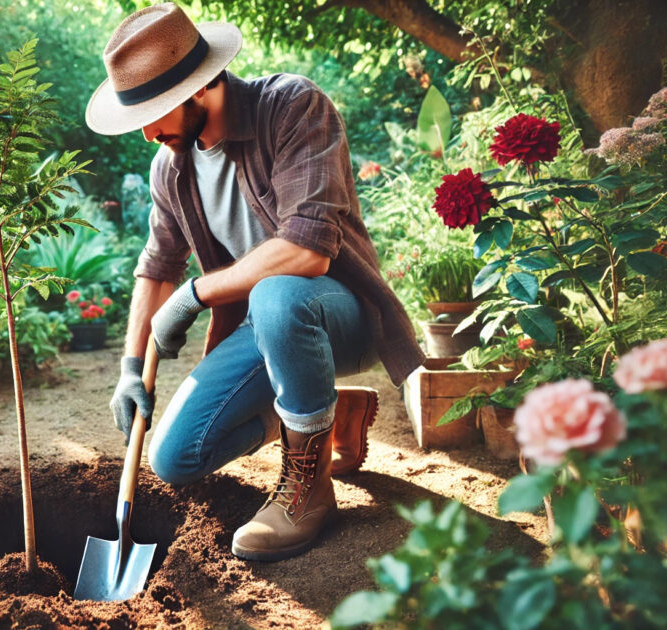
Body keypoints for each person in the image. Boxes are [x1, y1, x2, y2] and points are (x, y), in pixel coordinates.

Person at [85, 3, 424, 561]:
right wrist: (129, 366)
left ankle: (307, 490)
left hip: (338, 313)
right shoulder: (171, 168)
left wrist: (196, 295)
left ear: (196, 88)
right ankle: (325, 411)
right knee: (175, 457)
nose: (147, 133)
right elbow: (156, 267)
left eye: (154, 112)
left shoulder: (291, 107)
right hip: (265, 329)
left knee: (277, 293)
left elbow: (307, 251)